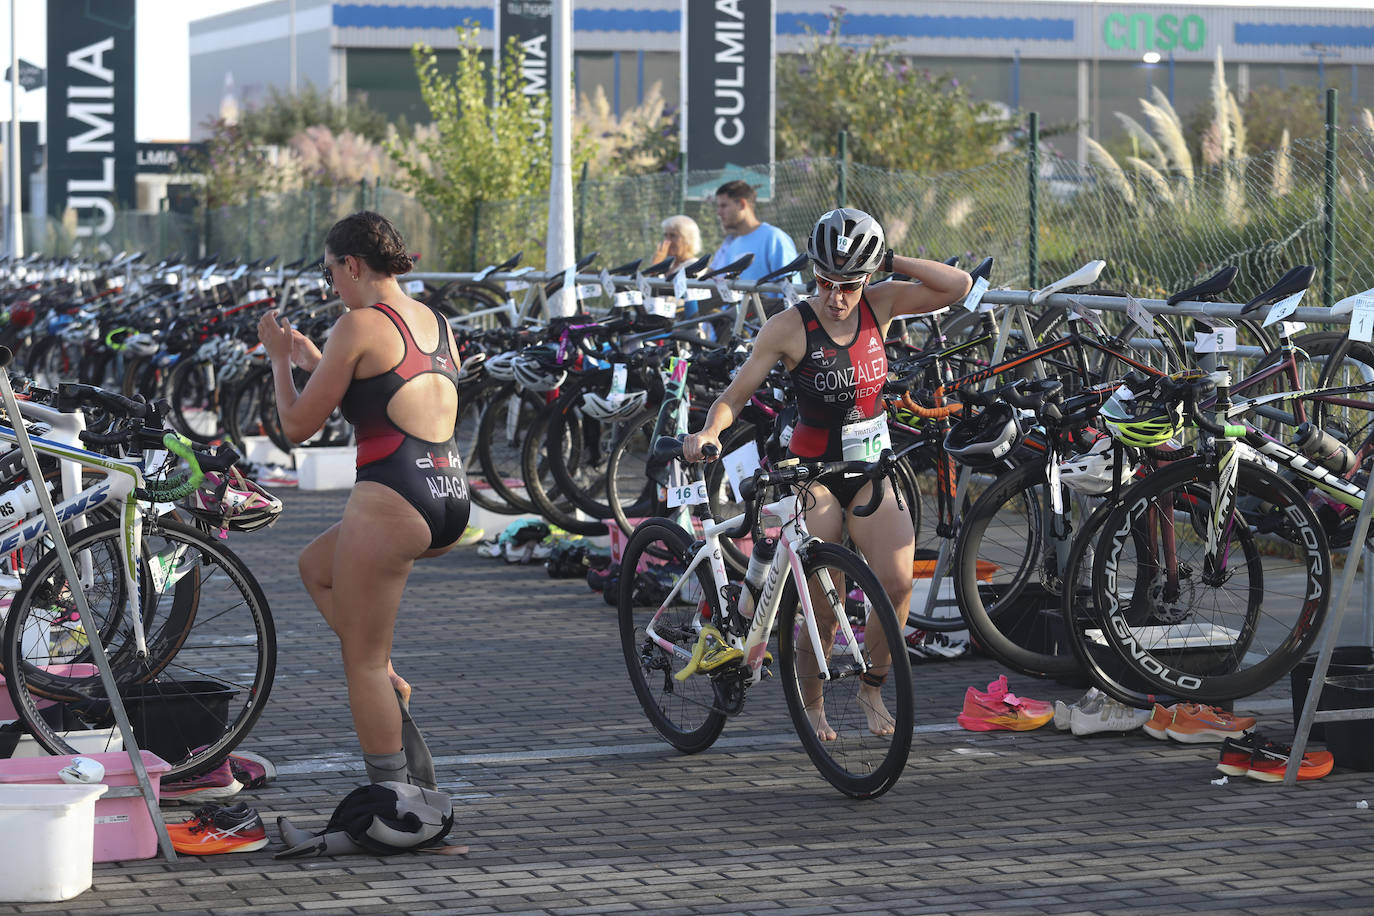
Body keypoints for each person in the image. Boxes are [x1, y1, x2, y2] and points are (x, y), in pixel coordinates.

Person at [683, 207, 971, 740]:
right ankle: (812, 702)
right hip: (809, 473)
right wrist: (709, 433)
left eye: (850, 285)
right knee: (825, 594)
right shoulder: (789, 326)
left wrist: (891, 261)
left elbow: (958, 285)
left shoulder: (881, 304)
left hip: (867, 466)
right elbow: (733, 396)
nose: (837, 297)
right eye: (826, 283)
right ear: (813, 274)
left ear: (869, 279)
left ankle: (872, 689)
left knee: (899, 582)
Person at [257, 210, 470, 790]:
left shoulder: (357, 324)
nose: (331, 288)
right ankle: (387, 680)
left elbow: (297, 426)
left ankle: (395, 796)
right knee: (314, 567)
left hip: (392, 500)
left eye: (330, 275)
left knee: (363, 665)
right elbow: (388, 382)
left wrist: (279, 359)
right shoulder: (436, 321)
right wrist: (312, 360)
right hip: (449, 497)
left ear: (351, 264)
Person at [708, 179, 799, 285]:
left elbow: (791, 291)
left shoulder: (774, 238)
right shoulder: (733, 246)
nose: (718, 212)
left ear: (742, 204)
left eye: (724, 206)